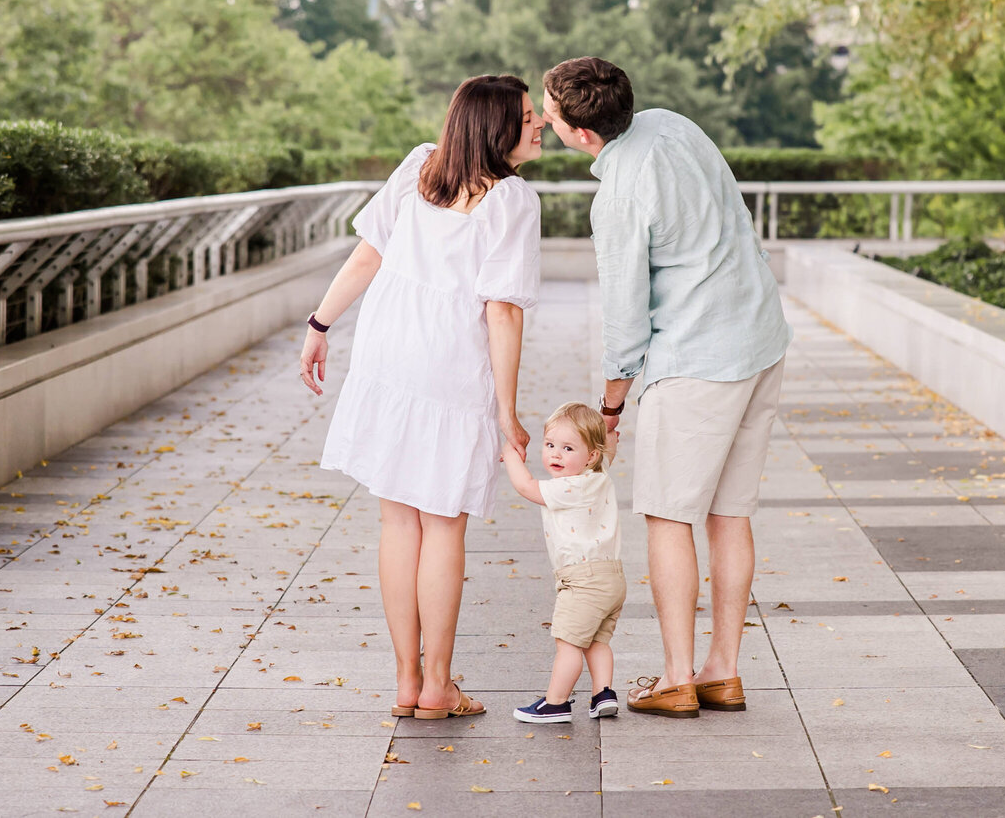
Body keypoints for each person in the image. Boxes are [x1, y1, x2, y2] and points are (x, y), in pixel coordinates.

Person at [540, 56, 790, 717]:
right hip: (761, 336)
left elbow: (624, 324)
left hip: (699, 359)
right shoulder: (674, 125)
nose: (544, 120)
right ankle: (723, 670)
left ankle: (678, 677)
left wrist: (610, 409)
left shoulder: (618, 193)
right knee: (730, 512)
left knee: (668, 513)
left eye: (552, 115)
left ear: (583, 135)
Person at [299, 74, 545, 721]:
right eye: (526, 116)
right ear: (495, 128)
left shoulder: (420, 169)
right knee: (443, 524)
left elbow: (365, 256)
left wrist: (319, 325)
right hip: (449, 368)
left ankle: (407, 679)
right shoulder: (512, 201)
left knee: (397, 521)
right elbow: (503, 314)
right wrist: (506, 411)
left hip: (387, 358)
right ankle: (438, 684)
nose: (539, 123)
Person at [500, 402, 628, 723]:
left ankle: (556, 703)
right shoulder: (598, 476)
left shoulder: (570, 486)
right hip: (612, 578)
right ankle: (603, 694)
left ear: (590, 456)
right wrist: (608, 436)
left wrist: (512, 455)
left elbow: (526, 487)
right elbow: (608, 451)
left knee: (568, 642)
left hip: (582, 580)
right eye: (550, 445)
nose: (556, 455)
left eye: (568, 448)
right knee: (597, 640)